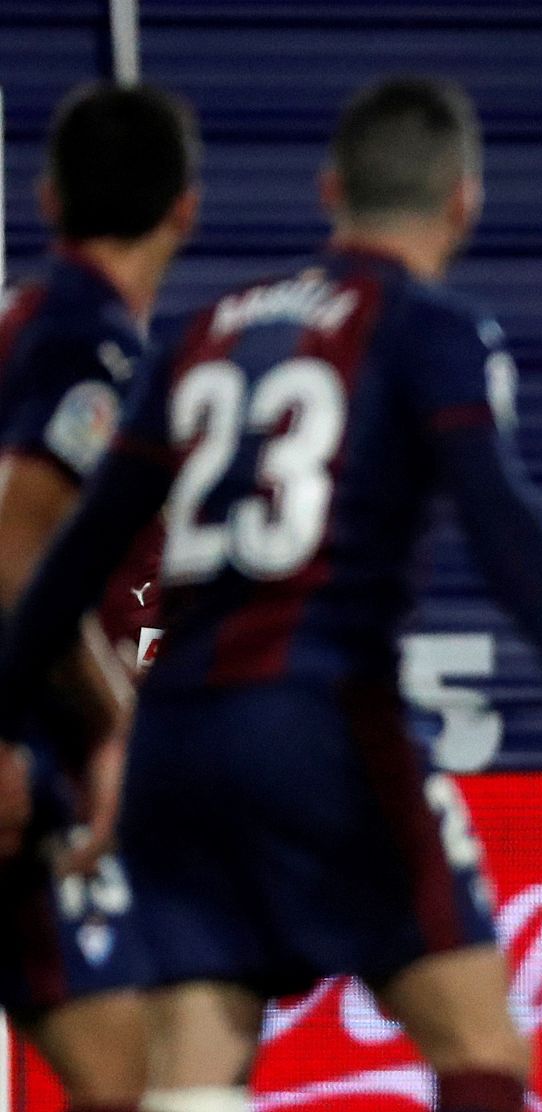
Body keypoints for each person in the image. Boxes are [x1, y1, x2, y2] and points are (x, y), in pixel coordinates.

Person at [0, 76, 542, 1112]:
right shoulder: (429, 325)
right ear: (463, 204)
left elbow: (78, 549)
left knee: (195, 1067)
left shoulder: (204, 328)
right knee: (480, 1041)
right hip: (324, 719)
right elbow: (498, 508)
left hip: (173, 738)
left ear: (329, 188)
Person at [0, 81, 199, 1112]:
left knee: (125, 1070)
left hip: (34, 779)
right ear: (185, 208)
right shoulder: (86, 341)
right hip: (20, 761)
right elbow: (14, 551)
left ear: (45, 198)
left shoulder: (36, 324)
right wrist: (115, 723)